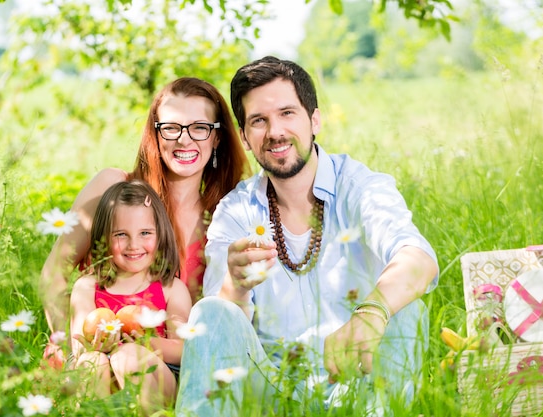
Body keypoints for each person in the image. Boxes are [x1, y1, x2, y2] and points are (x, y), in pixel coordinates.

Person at [175, 56, 439, 416]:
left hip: (360, 383)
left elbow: (417, 258)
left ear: (314, 119)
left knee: (408, 310)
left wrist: (371, 313)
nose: (275, 132)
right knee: (211, 310)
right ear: (244, 138)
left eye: (287, 113)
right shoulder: (236, 211)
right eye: (259, 121)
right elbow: (222, 331)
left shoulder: (361, 187)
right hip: (273, 392)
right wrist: (234, 286)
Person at [40, 77, 250, 367]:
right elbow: (54, 274)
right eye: (171, 127)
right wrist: (74, 349)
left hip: (177, 369)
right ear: (155, 134)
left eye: (199, 128)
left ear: (217, 138)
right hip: (94, 362)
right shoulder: (114, 189)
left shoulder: (226, 215)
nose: (184, 139)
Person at [70, 181, 191, 412]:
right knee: (90, 363)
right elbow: (79, 346)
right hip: (104, 376)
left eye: (145, 233)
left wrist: (144, 344)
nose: (134, 245)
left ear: (160, 233)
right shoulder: (87, 287)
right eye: (121, 235)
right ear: (104, 237)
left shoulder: (169, 288)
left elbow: (184, 350)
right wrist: (101, 344)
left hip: (156, 380)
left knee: (129, 356)